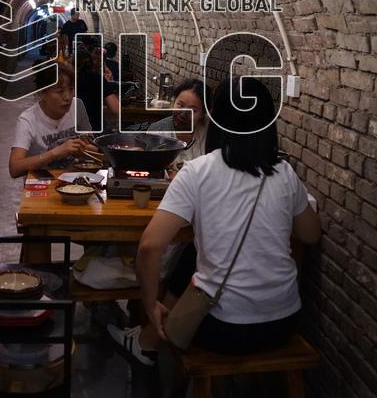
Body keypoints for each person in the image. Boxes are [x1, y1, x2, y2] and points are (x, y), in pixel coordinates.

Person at [108, 76, 321, 369]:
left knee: (194, 262)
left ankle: (145, 341)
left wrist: (149, 304)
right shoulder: (284, 173)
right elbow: (310, 235)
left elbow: (149, 246)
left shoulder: (198, 171)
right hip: (283, 323)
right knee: (195, 258)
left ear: (216, 119)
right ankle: (145, 342)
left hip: (221, 327)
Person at [8, 62, 95, 178]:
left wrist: (83, 149)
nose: (68, 97)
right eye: (60, 91)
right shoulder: (28, 119)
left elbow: (93, 149)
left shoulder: (77, 106)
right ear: (42, 93)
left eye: (71, 89)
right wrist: (55, 152)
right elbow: (14, 168)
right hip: (42, 183)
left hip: (75, 181)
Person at [147, 79, 209, 162]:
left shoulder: (210, 133)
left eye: (193, 110)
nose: (183, 114)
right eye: (180, 105)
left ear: (203, 114)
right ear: (173, 102)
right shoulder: (156, 132)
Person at [75, 43, 121, 132]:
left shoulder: (70, 79)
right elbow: (116, 108)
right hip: (94, 130)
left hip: (71, 131)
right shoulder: (98, 79)